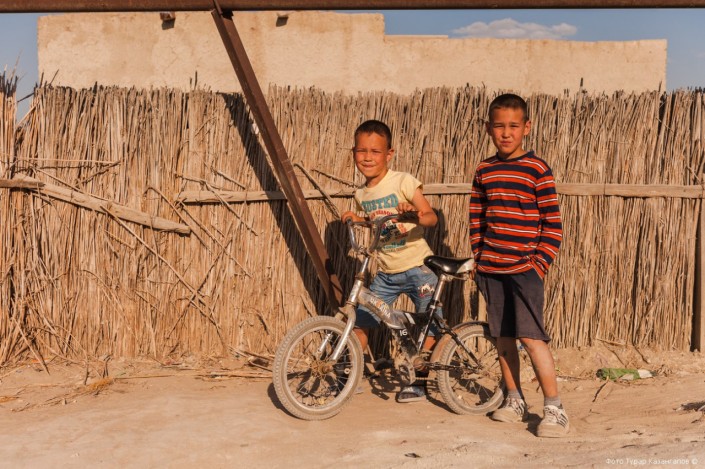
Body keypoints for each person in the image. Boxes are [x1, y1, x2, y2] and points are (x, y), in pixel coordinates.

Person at [469, 93, 568, 438]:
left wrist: (538, 265)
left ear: (527, 127)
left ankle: (554, 408)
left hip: (525, 270)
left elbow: (552, 224)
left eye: (513, 126)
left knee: (531, 336)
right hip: (492, 269)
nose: (506, 133)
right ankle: (514, 399)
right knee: (503, 337)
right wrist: (479, 258)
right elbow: (477, 219)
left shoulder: (537, 169)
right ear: (488, 128)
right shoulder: (484, 170)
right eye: (499, 126)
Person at [341, 119, 439, 403]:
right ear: (353, 153)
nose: (367, 157)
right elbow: (376, 220)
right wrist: (357, 218)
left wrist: (413, 215)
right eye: (362, 151)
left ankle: (420, 382)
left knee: (429, 326)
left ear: (389, 154)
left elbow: (430, 217)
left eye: (375, 151)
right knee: (360, 322)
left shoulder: (402, 181)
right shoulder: (361, 194)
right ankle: (349, 376)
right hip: (386, 273)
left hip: (419, 267)